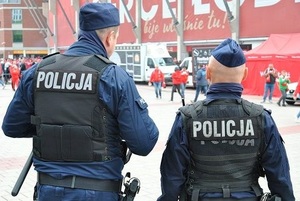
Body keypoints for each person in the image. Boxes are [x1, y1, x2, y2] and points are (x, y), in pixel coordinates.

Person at [2, 3, 159, 201]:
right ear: (110, 37)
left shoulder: (38, 71)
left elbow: (12, 127)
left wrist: (50, 129)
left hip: (47, 190)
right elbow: (143, 143)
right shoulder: (113, 77)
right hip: (98, 191)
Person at [157, 38, 295, 201]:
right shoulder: (261, 118)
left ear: (208, 73)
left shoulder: (187, 118)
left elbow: (172, 177)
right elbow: (280, 178)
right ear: (245, 75)